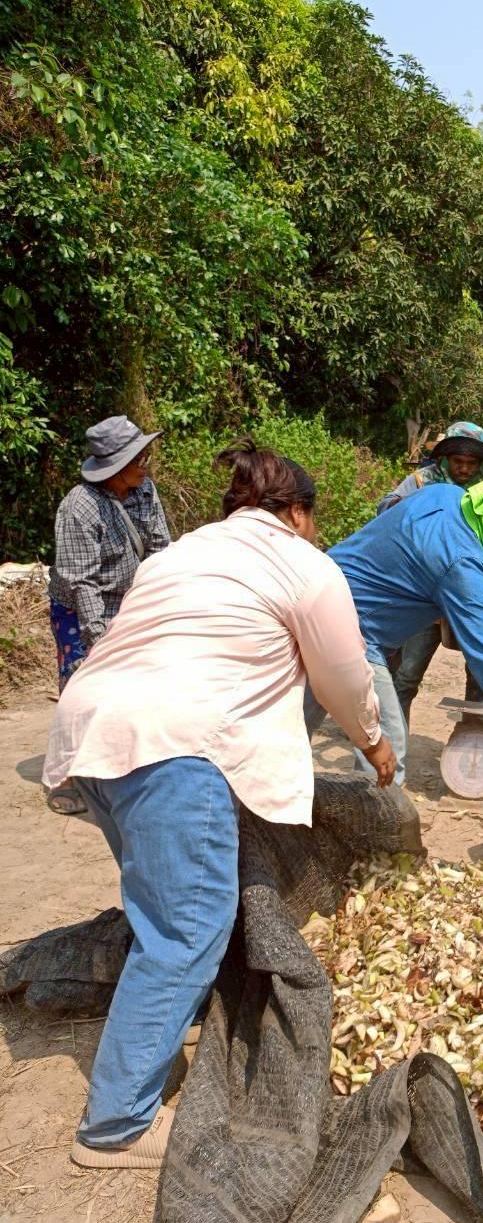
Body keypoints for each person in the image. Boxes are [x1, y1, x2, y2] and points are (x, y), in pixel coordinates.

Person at [42, 440, 395, 1169]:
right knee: (187, 929)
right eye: (312, 516)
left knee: (165, 911)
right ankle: (116, 1124)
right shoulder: (304, 564)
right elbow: (341, 675)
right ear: (295, 511)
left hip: (94, 731)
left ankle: (164, 1021)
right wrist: (377, 745)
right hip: (175, 744)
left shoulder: (179, 556)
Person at [324, 464, 483, 792]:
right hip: (350, 632)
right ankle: (374, 832)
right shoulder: (461, 564)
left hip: (320, 593)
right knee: (388, 747)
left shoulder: (447, 495)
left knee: (291, 730)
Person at [46, 416, 172, 814]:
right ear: (116, 466)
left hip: (130, 600)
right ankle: (67, 776)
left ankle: (129, 764)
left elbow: (159, 551)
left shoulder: (145, 491)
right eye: (140, 458)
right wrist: (101, 641)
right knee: (84, 683)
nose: (146, 463)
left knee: (145, 681)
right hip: (80, 606)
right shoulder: (78, 509)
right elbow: (82, 583)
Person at [376, 421, 483, 723]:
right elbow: (385, 509)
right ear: (445, 458)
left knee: (482, 674)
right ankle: (393, 743)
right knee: (406, 676)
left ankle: (474, 746)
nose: (465, 469)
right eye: (459, 461)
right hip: (424, 593)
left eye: (472, 463)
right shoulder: (422, 480)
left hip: (473, 591)